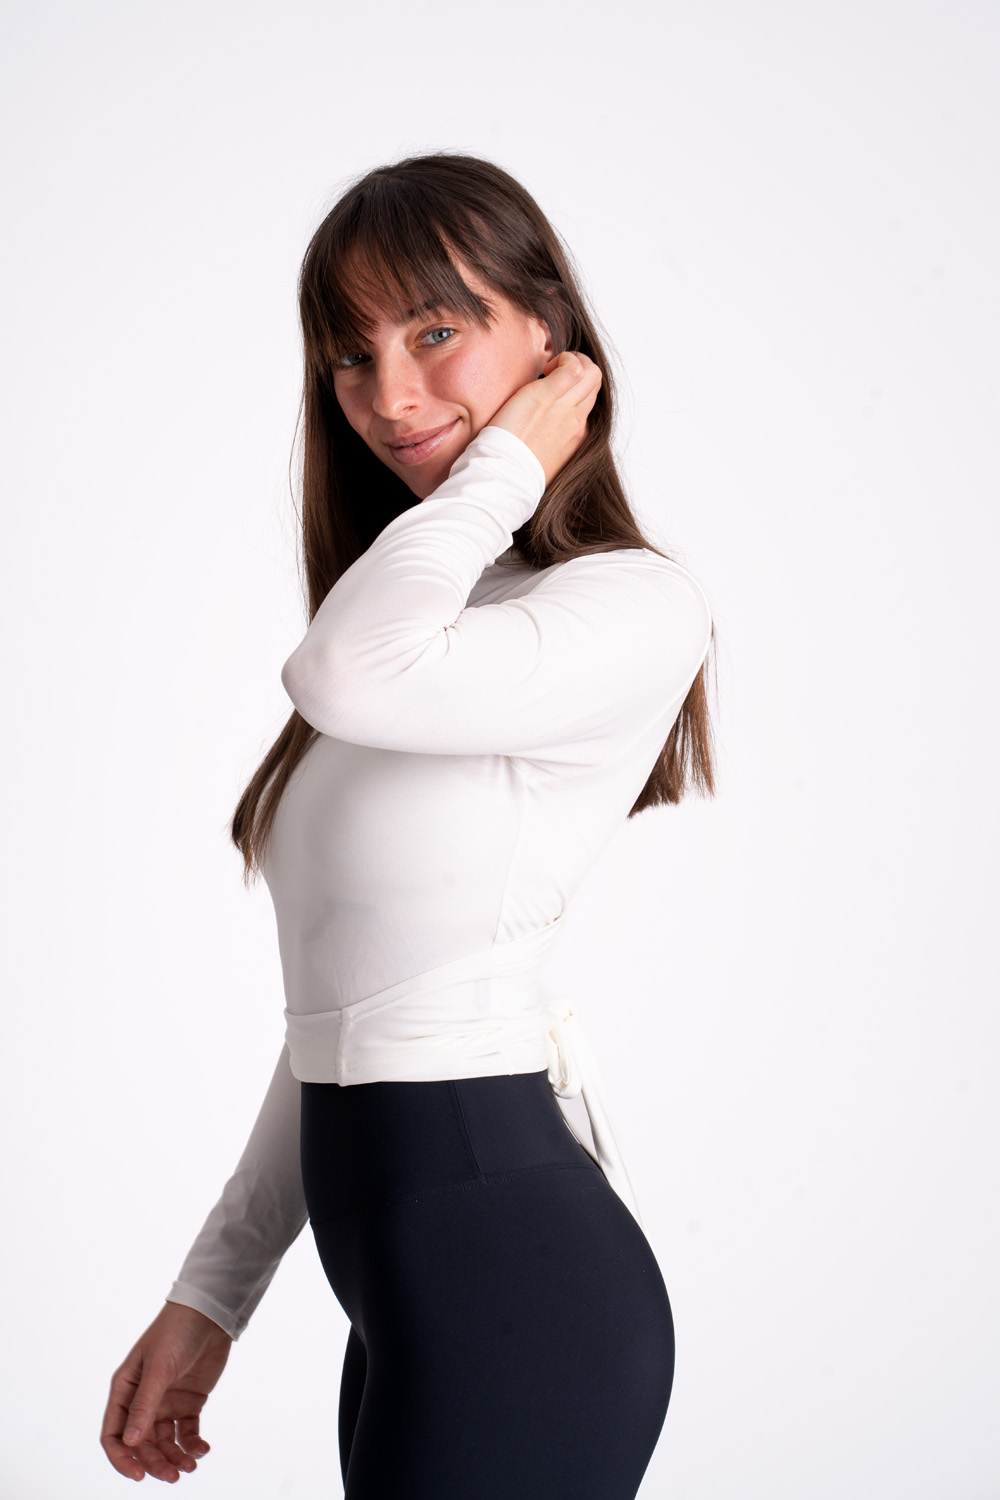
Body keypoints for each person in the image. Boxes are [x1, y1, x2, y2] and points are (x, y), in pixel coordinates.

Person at [100, 151, 717, 1497]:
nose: (388, 394)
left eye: (436, 332)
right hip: (414, 1289)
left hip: (519, 1285)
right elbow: (345, 1023)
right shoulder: (430, 615)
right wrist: (211, 1293)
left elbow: (338, 672)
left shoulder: (627, 606)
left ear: (549, 339)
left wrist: (508, 463)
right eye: (350, 353)